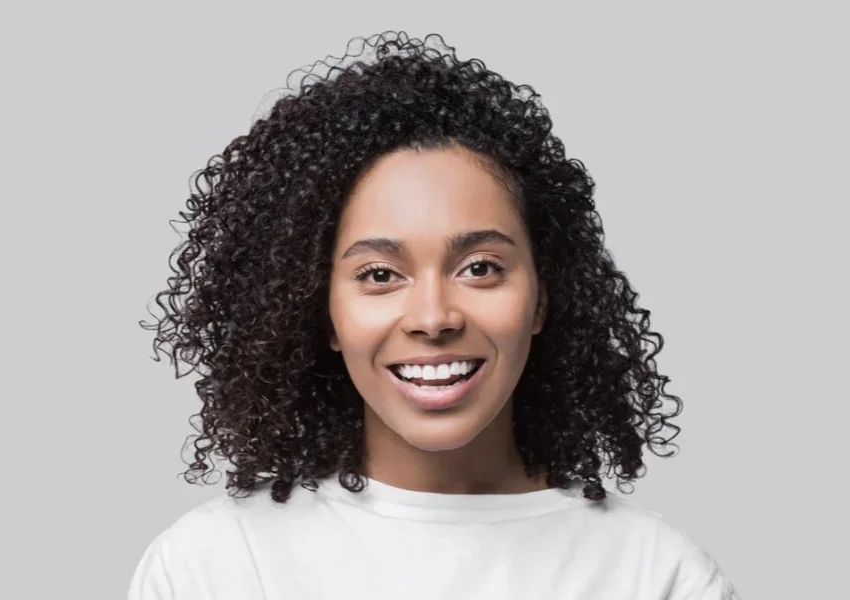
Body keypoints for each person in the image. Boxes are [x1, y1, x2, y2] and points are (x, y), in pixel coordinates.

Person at [129, 31, 740, 599]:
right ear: (324, 313)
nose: (433, 316)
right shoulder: (213, 568)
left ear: (542, 298)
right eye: (379, 275)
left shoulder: (656, 576)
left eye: (479, 267)